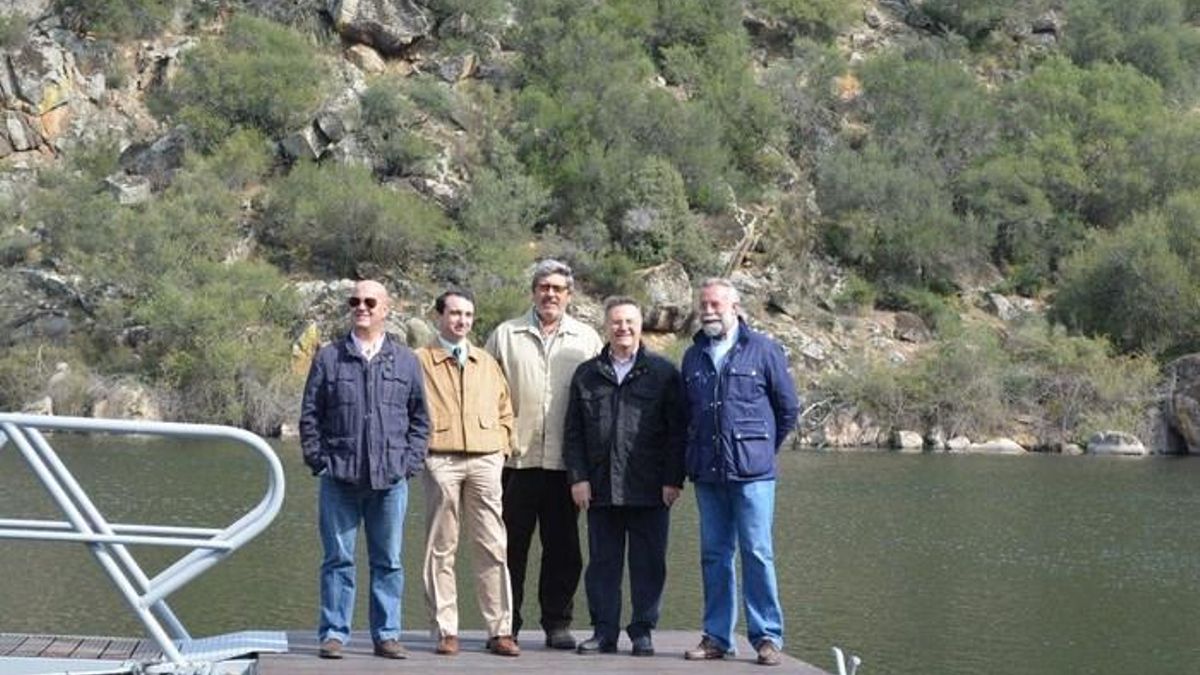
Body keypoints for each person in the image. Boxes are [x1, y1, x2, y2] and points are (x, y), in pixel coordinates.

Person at [299, 280, 430, 661]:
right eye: (355, 301)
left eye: (370, 301)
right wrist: (318, 459)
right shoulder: (328, 358)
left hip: (390, 480)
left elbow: (420, 418)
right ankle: (334, 633)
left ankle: (387, 634)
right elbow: (310, 416)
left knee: (388, 561)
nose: (362, 307)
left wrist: (409, 463)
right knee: (337, 560)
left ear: (386, 309)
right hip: (339, 477)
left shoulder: (406, 360)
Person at [680, 278, 800, 668]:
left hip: (754, 475)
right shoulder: (693, 356)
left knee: (757, 554)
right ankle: (717, 637)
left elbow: (787, 410)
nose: (708, 310)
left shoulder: (763, 350)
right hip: (708, 474)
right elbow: (687, 416)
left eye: (715, 304)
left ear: (735, 307)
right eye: (703, 304)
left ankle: (767, 637)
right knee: (714, 556)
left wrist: (760, 450)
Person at [485, 259, 603, 649]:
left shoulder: (586, 340)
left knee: (564, 550)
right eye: (543, 287)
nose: (550, 294)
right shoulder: (505, 335)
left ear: (569, 295)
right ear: (533, 291)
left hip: (564, 466)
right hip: (514, 461)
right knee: (509, 550)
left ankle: (557, 623)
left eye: (557, 288)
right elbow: (486, 395)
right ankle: (507, 625)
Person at [563, 297, 686, 658]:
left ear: (640, 326)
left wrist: (673, 479)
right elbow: (573, 433)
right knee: (602, 565)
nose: (623, 328)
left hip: (650, 488)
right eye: (616, 322)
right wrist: (578, 478)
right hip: (599, 488)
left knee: (649, 565)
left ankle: (643, 631)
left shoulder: (663, 372)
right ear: (607, 326)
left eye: (630, 322)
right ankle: (604, 632)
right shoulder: (587, 374)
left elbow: (677, 432)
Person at [416, 289, 520, 658]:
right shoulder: (420, 361)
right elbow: (410, 410)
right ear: (439, 316)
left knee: (493, 545)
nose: (462, 320)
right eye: (455, 313)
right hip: (440, 460)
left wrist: (501, 448)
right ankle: (446, 630)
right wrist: (421, 451)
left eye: (469, 315)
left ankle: (500, 630)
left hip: (485, 460)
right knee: (440, 547)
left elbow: (506, 409)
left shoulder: (487, 362)